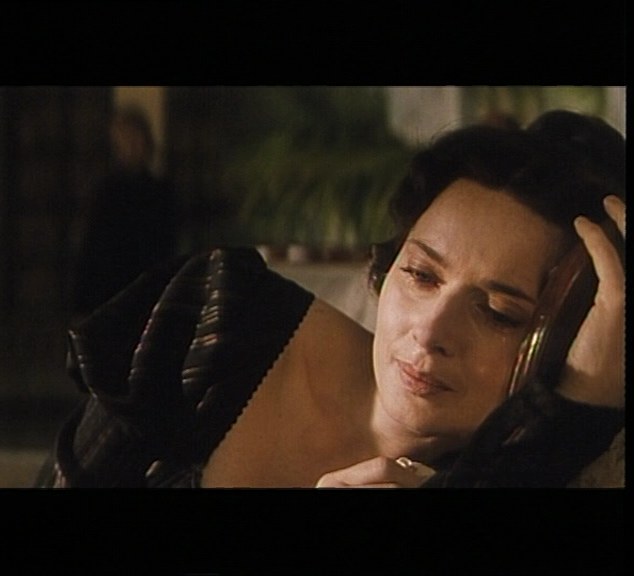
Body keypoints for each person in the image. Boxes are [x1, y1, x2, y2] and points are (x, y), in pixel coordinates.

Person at [38, 110, 625, 488]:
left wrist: (579, 402)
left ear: (561, 342)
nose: (430, 331)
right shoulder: (219, 319)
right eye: (421, 275)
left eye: (498, 313)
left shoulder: (530, 466)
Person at [69, 104, 178, 326]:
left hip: (147, 290)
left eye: (134, 139)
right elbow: (93, 248)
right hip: (111, 291)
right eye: (124, 140)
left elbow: (166, 244)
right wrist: (82, 304)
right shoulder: (108, 192)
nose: (130, 147)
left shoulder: (161, 192)